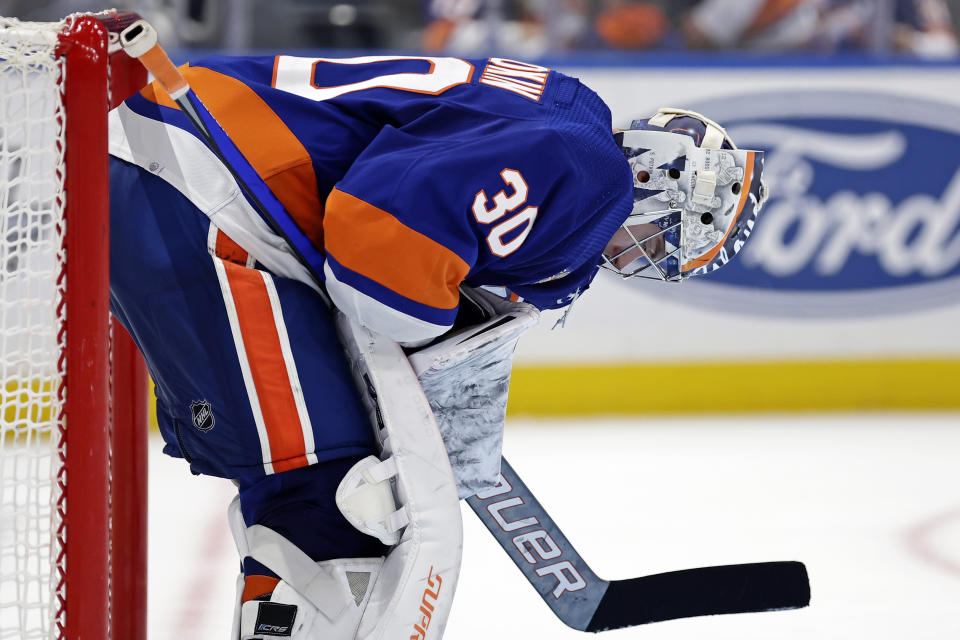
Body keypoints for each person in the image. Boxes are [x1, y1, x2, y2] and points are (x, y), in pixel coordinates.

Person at [107, 53, 765, 638]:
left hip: (190, 160)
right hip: (201, 183)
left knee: (334, 491)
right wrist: (432, 341)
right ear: (659, 183)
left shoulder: (570, 116)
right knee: (329, 496)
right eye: (662, 241)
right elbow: (376, 254)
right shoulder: (591, 177)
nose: (644, 258)